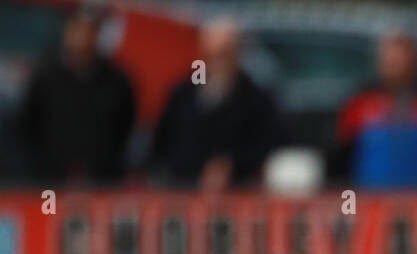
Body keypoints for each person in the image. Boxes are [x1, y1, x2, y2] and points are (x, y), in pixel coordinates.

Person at [150, 19, 280, 190]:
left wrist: (233, 165)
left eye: (225, 53)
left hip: (237, 193)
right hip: (182, 189)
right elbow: (163, 144)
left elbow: (267, 146)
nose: (218, 61)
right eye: (213, 54)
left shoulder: (257, 99)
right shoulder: (183, 93)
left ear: (237, 53)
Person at [332, 32, 417, 188]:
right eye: (389, 58)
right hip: (371, 200)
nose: (395, 63)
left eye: (402, 56)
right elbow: (341, 159)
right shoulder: (359, 104)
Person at [18, 7, 135, 184]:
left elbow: (125, 126)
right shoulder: (46, 76)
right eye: (77, 30)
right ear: (67, 32)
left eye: (89, 30)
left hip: (102, 179)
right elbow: (30, 125)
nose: (82, 37)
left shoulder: (117, 79)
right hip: (51, 179)